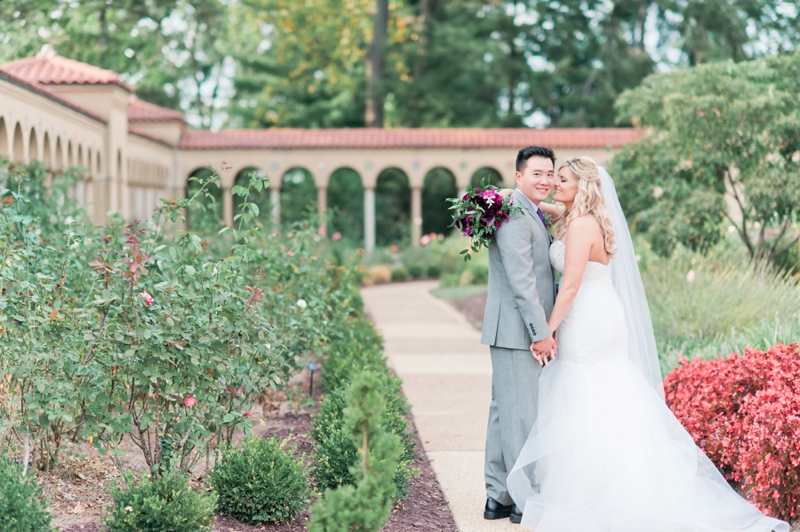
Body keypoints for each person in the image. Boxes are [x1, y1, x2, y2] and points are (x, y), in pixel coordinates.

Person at [505, 156, 788, 532]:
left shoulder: (579, 228)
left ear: (583, 186)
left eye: (563, 179)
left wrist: (546, 333)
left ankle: (597, 492)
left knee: (585, 395)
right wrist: (513, 195)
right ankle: (618, 481)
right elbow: (554, 205)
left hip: (586, 320)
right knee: (609, 394)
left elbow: (570, 285)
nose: (555, 184)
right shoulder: (590, 220)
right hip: (604, 314)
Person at [481, 145, 557, 524]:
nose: (545, 180)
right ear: (519, 176)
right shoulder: (513, 213)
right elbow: (521, 280)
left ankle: (499, 497)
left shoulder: (528, 209)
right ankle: (525, 501)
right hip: (517, 331)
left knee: (504, 415)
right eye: (537, 174)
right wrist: (540, 332)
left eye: (550, 174)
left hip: (511, 330)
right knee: (521, 418)